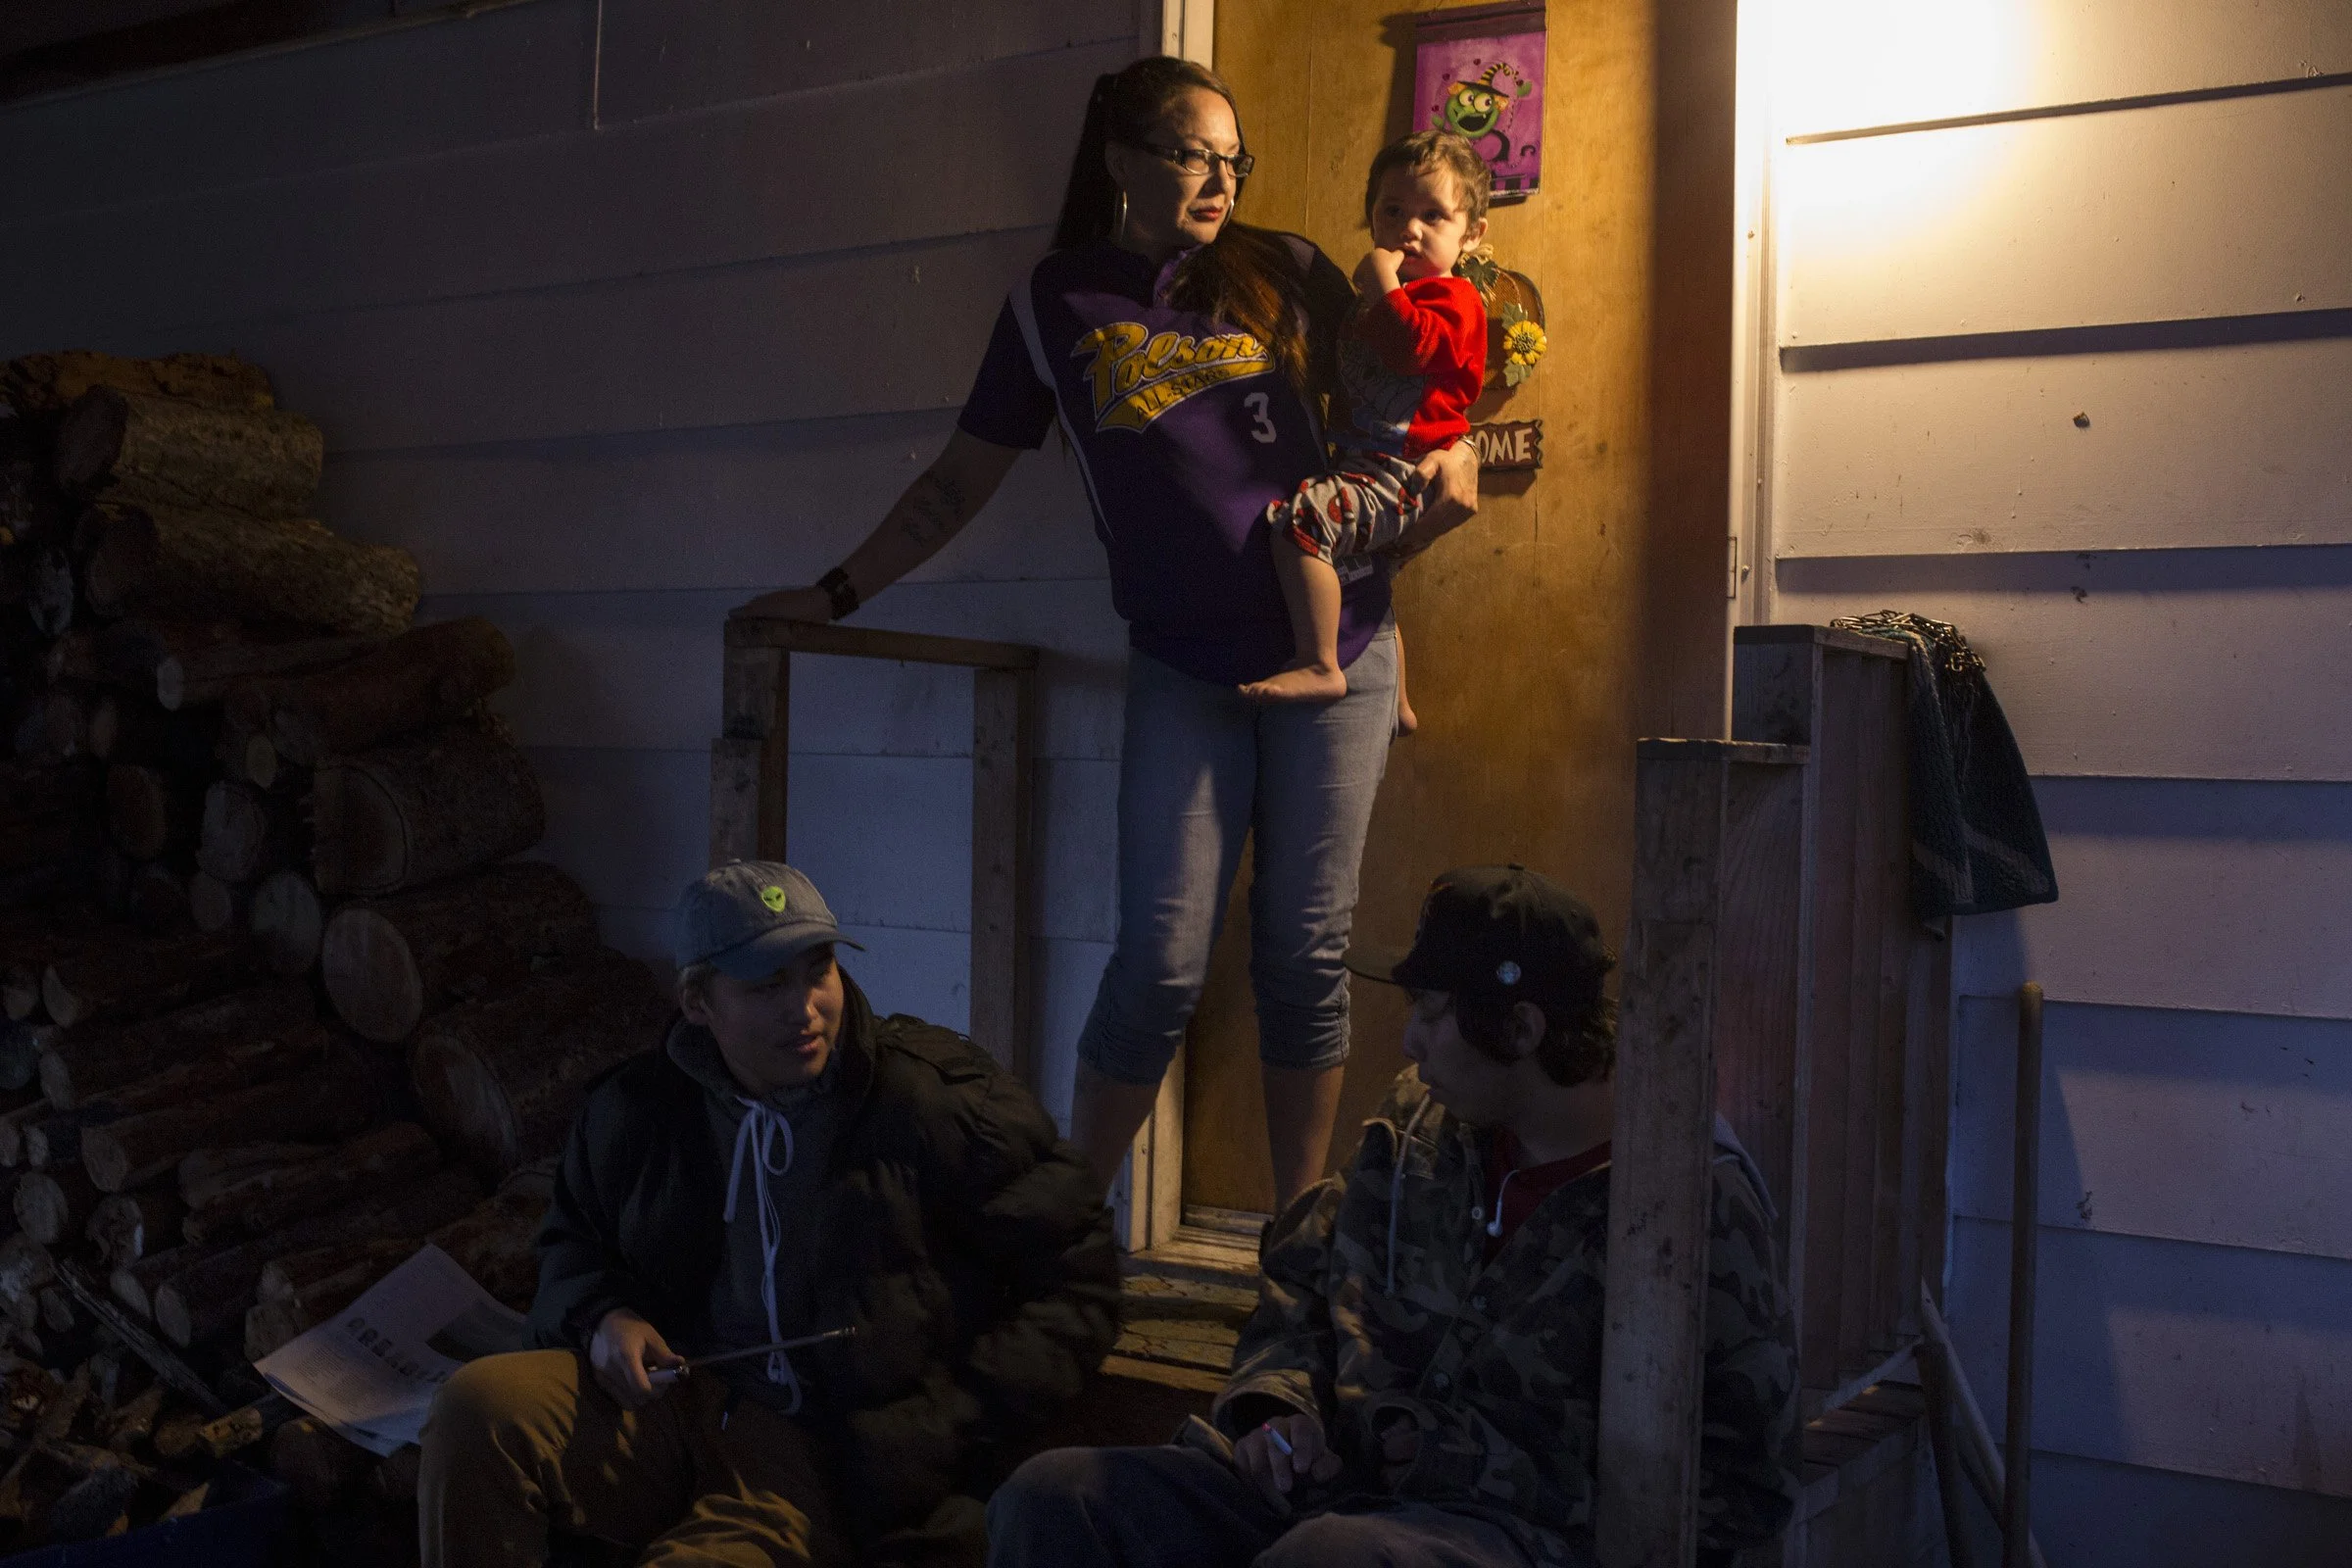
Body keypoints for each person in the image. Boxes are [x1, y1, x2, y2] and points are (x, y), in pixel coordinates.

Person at [739, 56, 1484, 1213]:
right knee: (1159, 961)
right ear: (1123, 155)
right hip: (1186, 664)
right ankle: (1075, 1221)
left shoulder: (1287, 269)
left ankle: (1295, 1233)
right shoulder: (1056, 301)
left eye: (1235, 159)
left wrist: (1445, 497)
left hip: (1340, 648)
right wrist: (835, 592)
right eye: (1195, 152)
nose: (1221, 178)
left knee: (1304, 955)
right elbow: (956, 483)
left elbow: (1385, 429)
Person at [986, 865, 1800, 1568]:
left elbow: (1738, 1492)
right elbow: (1303, 1281)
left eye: (1435, 1012)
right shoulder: (1418, 1122)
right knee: (1056, 1499)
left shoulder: (1686, 1204)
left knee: (1331, 1559)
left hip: (1518, 1536)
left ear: (1522, 1027)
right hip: (1335, 1492)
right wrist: (1280, 1410)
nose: (1410, 1041)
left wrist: (1463, 1463)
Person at [416, 861, 1121, 1568]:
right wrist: (604, 1317)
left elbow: (1078, 1278)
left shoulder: (932, 1104)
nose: (805, 1008)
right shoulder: (640, 1107)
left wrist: (952, 1415)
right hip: (682, 1402)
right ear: (699, 1002)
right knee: (478, 1406)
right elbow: (571, 1246)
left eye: (818, 972)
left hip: (821, 1450)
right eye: (767, 985)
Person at [1239, 130, 1492, 734]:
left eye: (1435, 215)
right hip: (1363, 461)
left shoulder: (1454, 299)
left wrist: (1383, 285)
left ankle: (1321, 663)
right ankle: (1399, 704)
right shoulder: (1373, 302)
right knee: (1373, 578)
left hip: (1400, 469)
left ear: (1472, 234)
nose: (1411, 229)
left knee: (1301, 524)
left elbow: (1411, 351)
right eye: (1393, 211)